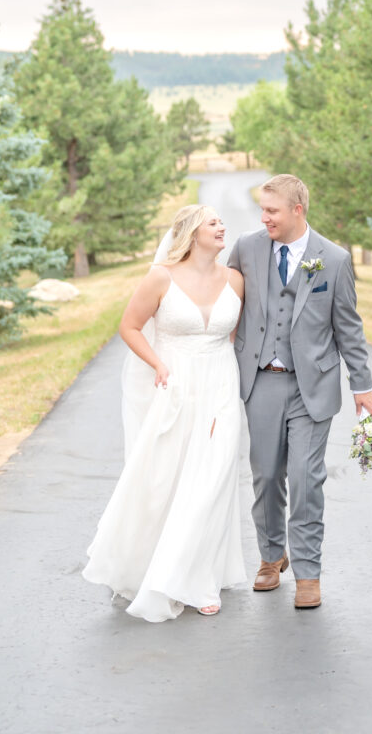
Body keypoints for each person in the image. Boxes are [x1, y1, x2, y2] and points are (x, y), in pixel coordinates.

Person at [82, 204, 246, 621]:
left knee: (214, 478)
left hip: (222, 385)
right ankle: (150, 563)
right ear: (192, 233)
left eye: (222, 222)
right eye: (213, 222)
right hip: (176, 387)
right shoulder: (161, 278)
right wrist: (157, 364)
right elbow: (130, 327)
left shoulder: (235, 281)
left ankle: (198, 577)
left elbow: (234, 336)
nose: (222, 227)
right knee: (166, 482)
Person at [227, 174, 372, 610]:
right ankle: (272, 556)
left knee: (306, 480)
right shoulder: (247, 249)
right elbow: (225, 307)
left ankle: (309, 572)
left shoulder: (333, 258)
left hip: (313, 385)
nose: (263, 217)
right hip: (262, 381)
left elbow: (348, 326)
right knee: (267, 474)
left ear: (297, 210)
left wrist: (361, 384)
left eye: (272, 210)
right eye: (262, 209)